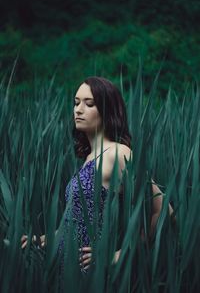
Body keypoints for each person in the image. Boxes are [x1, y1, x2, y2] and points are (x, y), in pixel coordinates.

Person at [21, 76, 168, 271]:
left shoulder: (117, 152)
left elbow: (163, 208)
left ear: (107, 110)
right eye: (76, 103)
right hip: (66, 267)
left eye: (89, 104)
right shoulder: (90, 157)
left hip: (89, 273)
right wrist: (41, 240)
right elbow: (74, 221)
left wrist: (119, 254)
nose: (78, 109)